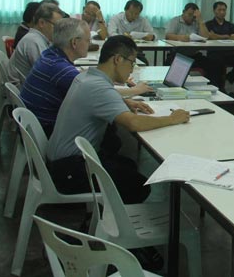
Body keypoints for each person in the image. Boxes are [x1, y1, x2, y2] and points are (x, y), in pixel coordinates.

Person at [47, 36, 190, 204]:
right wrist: (172, 119)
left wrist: (124, 101)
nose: (132, 69)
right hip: (68, 170)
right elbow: (133, 123)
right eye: (132, 63)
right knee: (138, 186)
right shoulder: (99, 87)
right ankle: (108, 217)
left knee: (127, 164)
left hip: (59, 160)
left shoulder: (86, 77)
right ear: (117, 59)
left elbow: (98, 98)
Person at [20, 18, 91, 137]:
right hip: (47, 131)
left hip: (33, 124)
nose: (90, 44)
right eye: (88, 40)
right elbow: (95, 97)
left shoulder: (49, 54)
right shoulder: (63, 71)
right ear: (74, 42)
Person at [164, 3, 222, 89]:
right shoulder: (175, 21)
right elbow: (168, 35)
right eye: (189, 14)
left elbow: (206, 36)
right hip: (178, 55)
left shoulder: (197, 22)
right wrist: (180, 37)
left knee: (215, 65)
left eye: (194, 16)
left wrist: (200, 21)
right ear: (183, 12)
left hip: (194, 55)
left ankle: (213, 89)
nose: (191, 18)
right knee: (169, 66)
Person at [8, 3, 64, 87]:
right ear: (42, 23)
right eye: (56, 26)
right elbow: (47, 73)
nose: (59, 31)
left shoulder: (38, 38)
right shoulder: (34, 41)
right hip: (25, 89)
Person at [205, 1, 234, 92]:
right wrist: (226, 36)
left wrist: (217, 36)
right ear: (214, 11)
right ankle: (218, 88)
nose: (222, 12)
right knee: (216, 64)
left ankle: (229, 78)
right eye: (219, 10)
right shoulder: (208, 24)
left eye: (224, 10)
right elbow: (210, 36)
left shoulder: (230, 25)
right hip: (214, 52)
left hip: (229, 52)